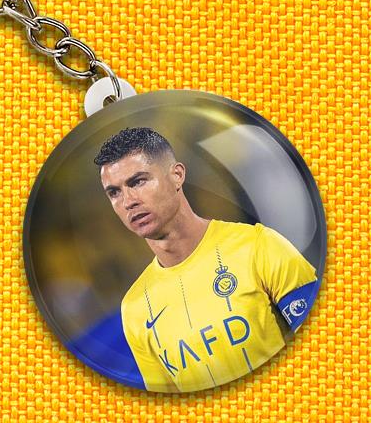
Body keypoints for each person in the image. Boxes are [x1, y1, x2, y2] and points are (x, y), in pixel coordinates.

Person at [94, 126, 318, 393]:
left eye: (138, 182)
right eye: (114, 192)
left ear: (177, 175)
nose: (128, 201)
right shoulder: (135, 308)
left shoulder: (259, 246)